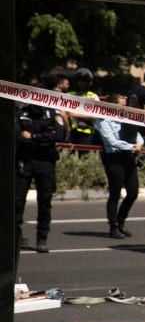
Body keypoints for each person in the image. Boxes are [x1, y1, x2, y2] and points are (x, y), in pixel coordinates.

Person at [15, 92, 66, 255]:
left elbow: (59, 135)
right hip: (25, 161)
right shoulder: (22, 113)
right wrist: (45, 137)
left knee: (44, 202)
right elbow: (18, 137)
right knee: (17, 202)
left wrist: (34, 136)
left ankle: (42, 238)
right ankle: (16, 236)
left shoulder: (52, 113)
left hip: (45, 162)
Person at [95, 94, 141, 239]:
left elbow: (136, 133)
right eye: (121, 103)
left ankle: (121, 221)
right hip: (114, 157)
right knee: (115, 193)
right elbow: (111, 141)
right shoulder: (104, 119)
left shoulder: (127, 117)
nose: (124, 106)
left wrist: (139, 144)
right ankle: (113, 226)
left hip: (128, 156)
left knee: (133, 192)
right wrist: (131, 146)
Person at [67, 67, 100, 152]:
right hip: (71, 131)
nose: (82, 83)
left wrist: (75, 114)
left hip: (87, 133)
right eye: (80, 80)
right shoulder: (69, 95)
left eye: (84, 81)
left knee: (84, 158)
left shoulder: (93, 96)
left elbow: (96, 116)